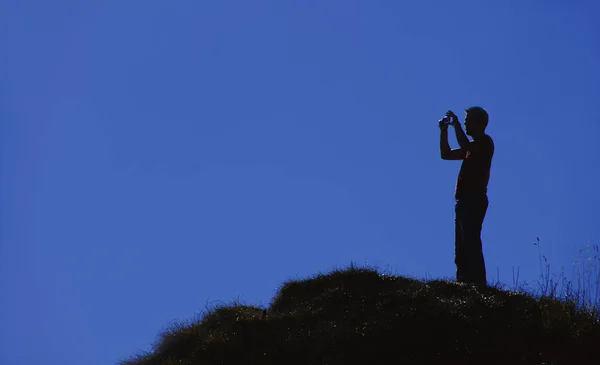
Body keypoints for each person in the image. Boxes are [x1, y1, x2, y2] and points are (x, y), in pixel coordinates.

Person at [439, 107, 494, 287]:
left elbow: (465, 146)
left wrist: (454, 127)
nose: (464, 123)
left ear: (479, 123)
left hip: (474, 198)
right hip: (463, 200)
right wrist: (444, 131)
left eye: (467, 120)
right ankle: (463, 284)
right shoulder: (470, 148)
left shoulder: (485, 142)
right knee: (461, 248)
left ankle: (477, 284)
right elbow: (446, 154)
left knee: (470, 242)